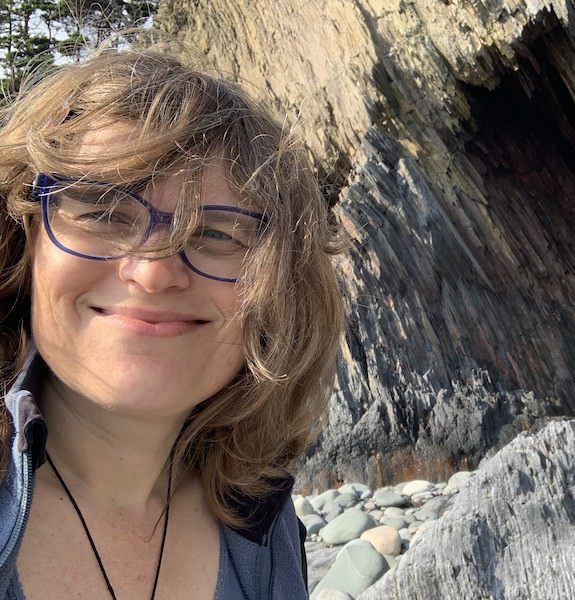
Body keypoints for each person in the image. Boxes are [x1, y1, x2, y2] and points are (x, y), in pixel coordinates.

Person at [0, 47, 344, 599]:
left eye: (216, 233)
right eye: (104, 212)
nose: (154, 273)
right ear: (22, 242)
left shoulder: (259, 520)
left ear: (278, 290)